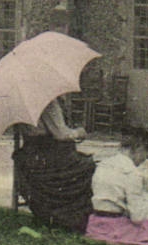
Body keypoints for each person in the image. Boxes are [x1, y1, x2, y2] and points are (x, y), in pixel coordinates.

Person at [12, 96, 93, 231]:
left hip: (30, 156)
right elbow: (61, 134)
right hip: (49, 156)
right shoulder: (47, 101)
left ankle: (53, 215)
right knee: (88, 166)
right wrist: (80, 132)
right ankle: (70, 218)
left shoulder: (21, 100)